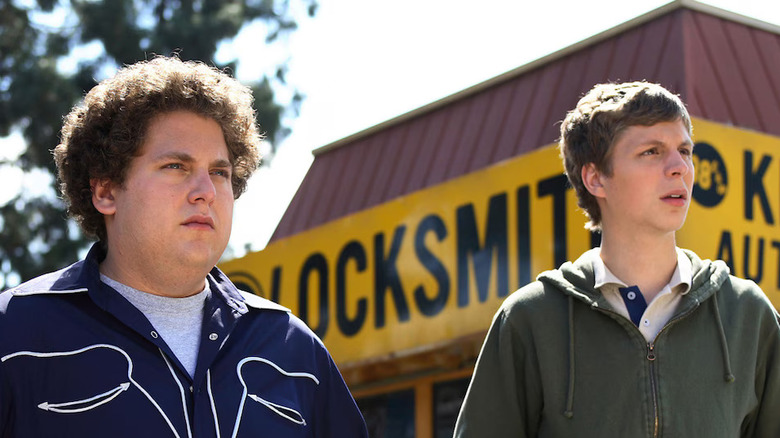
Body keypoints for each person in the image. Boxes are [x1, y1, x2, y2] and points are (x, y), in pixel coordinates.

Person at [0, 56, 368, 437]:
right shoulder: (13, 333)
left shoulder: (294, 350)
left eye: (219, 172)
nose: (206, 192)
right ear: (106, 191)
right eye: (177, 166)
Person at [454, 81, 780, 437]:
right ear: (596, 178)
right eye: (652, 152)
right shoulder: (531, 321)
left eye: (684, 151)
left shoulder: (746, 314)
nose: (679, 168)